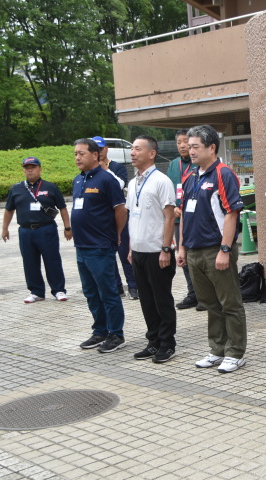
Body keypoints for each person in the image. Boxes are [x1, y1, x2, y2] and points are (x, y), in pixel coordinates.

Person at [176, 125, 247, 373]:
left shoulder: (223, 174)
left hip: (216, 249)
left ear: (211, 147)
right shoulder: (190, 176)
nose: (190, 151)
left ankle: (235, 352)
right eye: (189, 146)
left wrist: (225, 250)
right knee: (210, 303)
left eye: (195, 146)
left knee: (230, 303)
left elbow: (231, 214)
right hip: (193, 251)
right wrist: (181, 248)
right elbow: (184, 214)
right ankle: (217, 349)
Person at [72, 138, 128, 353]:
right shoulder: (78, 180)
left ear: (95, 155)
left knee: (108, 292)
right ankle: (100, 330)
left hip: (100, 246)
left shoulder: (106, 179)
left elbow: (120, 209)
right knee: (91, 292)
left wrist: (116, 234)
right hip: (82, 246)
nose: (77, 157)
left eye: (82, 153)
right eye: (75, 154)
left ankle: (116, 334)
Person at [126, 136, 178, 363]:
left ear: (152, 153)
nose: (132, 153)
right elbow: (132, 216)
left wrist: (166, 248)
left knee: (161, 300)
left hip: (158, 252)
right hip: (138, 251)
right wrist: (131, 248)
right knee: (146, 300)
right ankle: (153, 341)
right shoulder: (132, 183)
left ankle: (167, 344)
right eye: (132, 149)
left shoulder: (161, 181)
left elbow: (169, 217)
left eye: (137, 149)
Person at [2, 157, 71, 303]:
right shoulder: (16, 189)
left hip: (46, 229)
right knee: (30, 262)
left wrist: (67, 227)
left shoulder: (50, 187)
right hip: (26, 231)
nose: (30, 170)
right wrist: (4, 229)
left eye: (33, 167)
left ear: (40, 169)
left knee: (52, 260)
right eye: (27, 168)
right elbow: (9, 210)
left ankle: (58, 290)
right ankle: (36, 291)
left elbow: (63, 208)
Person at [92, 136, 139, 300]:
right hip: (103, 219)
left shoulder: (117, 167)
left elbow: (120, 185)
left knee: (124, 252)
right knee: (108, 255)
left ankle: (133, 286)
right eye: (95, 149)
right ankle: (117, 287)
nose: (99, 152)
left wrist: (105, 169)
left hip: (120, 215)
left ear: (106, 149)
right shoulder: (90, 171)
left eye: (101, 149)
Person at [167, 129, 202, 310]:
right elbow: (169, 189)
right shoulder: (174, 164)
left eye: (185, 141)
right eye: (179, 142)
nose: (182, 145)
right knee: (183, 257)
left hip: (195, 217)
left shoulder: (199, 162)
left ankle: (205, 295)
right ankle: (192, 293)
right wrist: (174, 206)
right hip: (178, 218)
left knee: (199, 256)